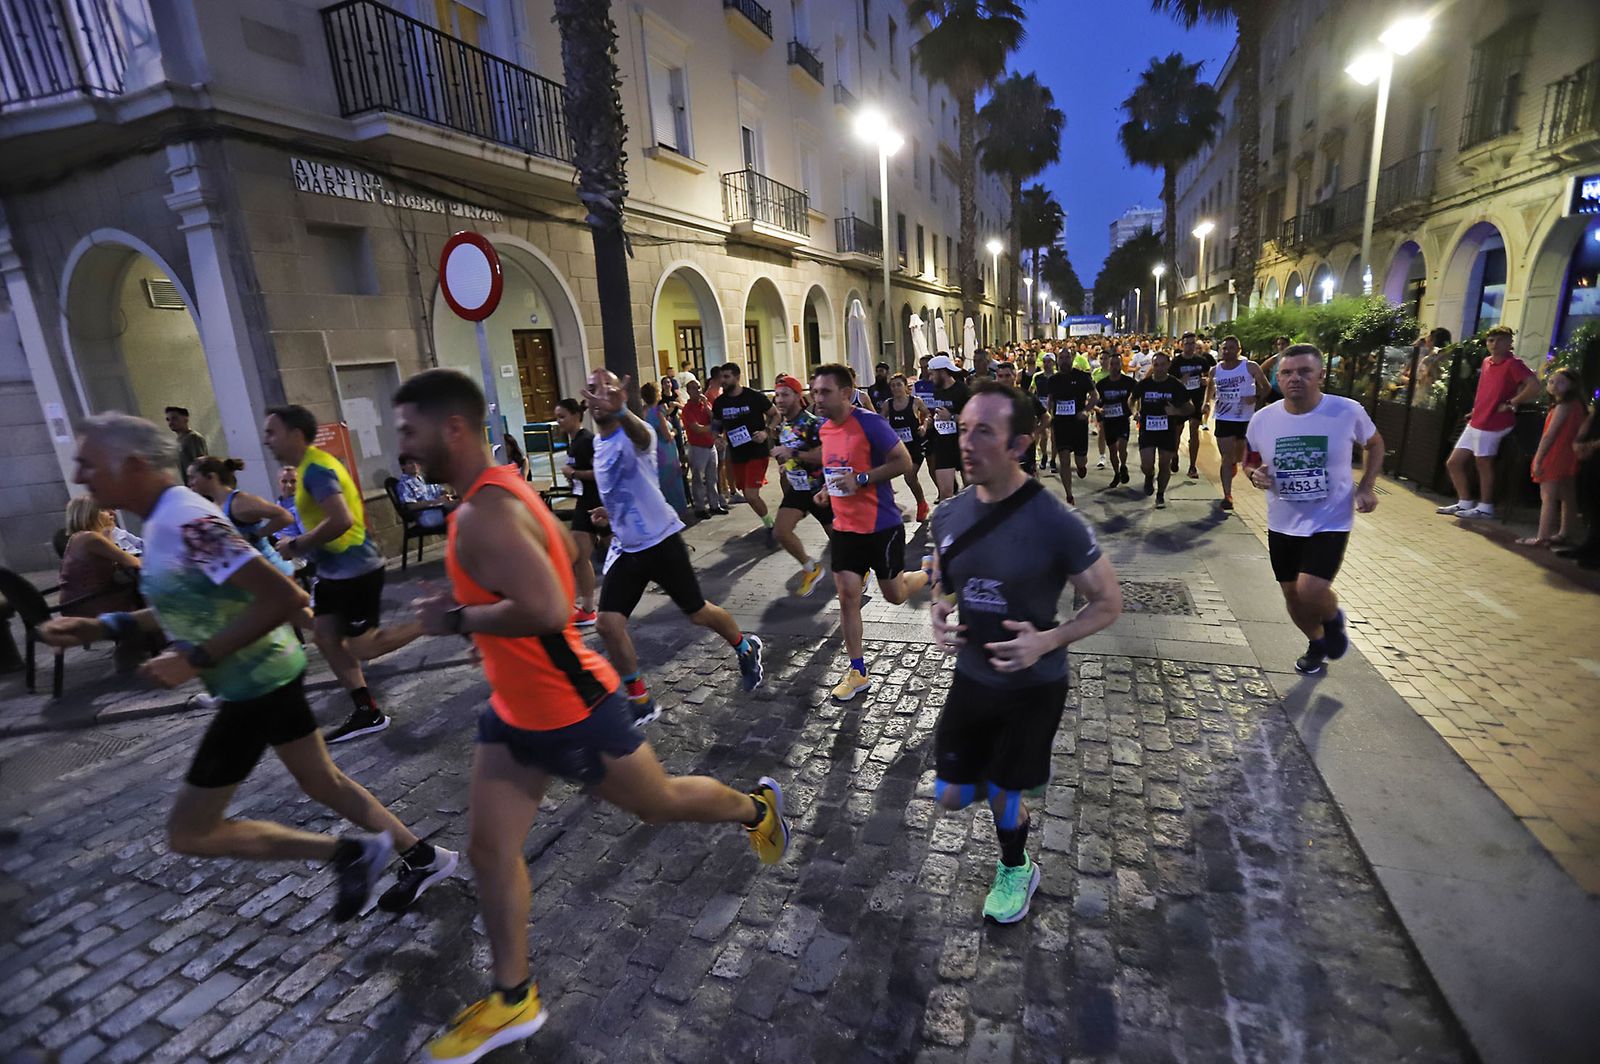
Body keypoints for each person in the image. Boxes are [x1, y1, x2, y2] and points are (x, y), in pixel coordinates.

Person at [385, 372, 788, 1063]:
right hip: (516, 711)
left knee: (657, 805)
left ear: (453, 428)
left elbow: (543, 609)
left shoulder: (487, 509)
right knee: (488, 850)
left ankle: (755, 809)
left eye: (409, 429)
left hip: (569, 707)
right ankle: (513, 999)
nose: (402, 443)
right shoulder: (501, 494)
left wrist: (454, 619)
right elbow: (570, 555)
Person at [40, 414, 454, 924]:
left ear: (132, 464)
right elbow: (187, 603)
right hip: (267, 674)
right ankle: (424, 857)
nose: (81, 476)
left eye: (88, 463)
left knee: (191, 832)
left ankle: (349, 854)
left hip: (254, 684)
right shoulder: (165, 521)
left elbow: (284, 595)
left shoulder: (189, 522)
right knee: (324, 782)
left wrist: (196, 657)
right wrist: (102, 628)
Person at [929, 381, 1121, 923]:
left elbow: (1108, 602)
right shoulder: (949, 514)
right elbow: (943, 576)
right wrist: (939, 608)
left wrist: (1048, 640)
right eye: (964, 429)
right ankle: (1004, 775)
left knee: (1006, 794)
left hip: (1033, 687)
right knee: (949, 795)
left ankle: (1016, 866)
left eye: (984, 432)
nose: (967, 443)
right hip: (972, 677)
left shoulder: (1055, 522)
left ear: (1020, 444)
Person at [584, 370, 765, 723]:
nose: (600, 396)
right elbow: (627, 486)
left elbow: (641, 436)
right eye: (593, 390)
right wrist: (611, 512)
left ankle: (745, 647)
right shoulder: (598, 443)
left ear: (620, 394)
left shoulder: (635, 433)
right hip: (628, 547)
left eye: (608, 388)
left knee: (697, 613)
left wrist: (622, 411)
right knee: (607, 623)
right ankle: (640, 700)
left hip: (662, 541)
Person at [265, 404, 423, 743]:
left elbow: (341, 520)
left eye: (271, 432)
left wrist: (296, 545)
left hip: (355, 569)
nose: (267, 441)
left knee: (363, 647)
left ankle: (436, 620)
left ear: (294, 434)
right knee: (324, 637)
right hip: (333, 571)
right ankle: (367, 711)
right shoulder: (309, 466)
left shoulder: (316, 470)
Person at [1245, 344, 1384, 676]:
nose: (1296, 379)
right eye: (1288, 373)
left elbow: (1375, 444)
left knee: (1310, 590)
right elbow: (1248, 461)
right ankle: (1317, 640)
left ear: (1321, 375)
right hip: (1282, 521)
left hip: (1330, 519)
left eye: (1305, 372)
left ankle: (1332, 618)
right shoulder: (1263, 420)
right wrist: (1254, 475)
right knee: (1292, 596)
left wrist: (1366, 486)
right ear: (1278, 378)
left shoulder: (1346, 411)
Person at [811, 364, 930, 701]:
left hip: (881, 526)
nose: (817, 398)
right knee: (848, 595)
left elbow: (903, 461)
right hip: (846, 528)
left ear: (846, 393)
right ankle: (858, 671)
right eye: (815, 391)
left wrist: (862, 479)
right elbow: (835, 468)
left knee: (894, 594)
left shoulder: (870, 423)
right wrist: (826, 489)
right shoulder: (825, 430)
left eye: (824, 392)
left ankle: (929, 572)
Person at [1436, 325, 1543, 520]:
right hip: (1478, 419)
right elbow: (1487, 390)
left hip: (1495, 422)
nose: (1494, 344)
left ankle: (1485, 507)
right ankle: (1465, 501)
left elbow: (1534, 385)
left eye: (1500, 340)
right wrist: (1477, 410)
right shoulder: (1487, 362)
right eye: (1491, 340)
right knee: (1454, 462)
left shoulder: (1513, 364)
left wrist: (1511, 403)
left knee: (1483, 463)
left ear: (1509, 343)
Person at [767, 375, 832, 597]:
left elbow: (825, 456)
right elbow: (794, 454)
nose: (779, 400)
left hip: (821, 490)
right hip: (799, 488)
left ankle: (860, 570)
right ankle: (811, 568)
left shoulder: (813, 423)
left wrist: (792, 454)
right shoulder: (785, 426)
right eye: (777, 395)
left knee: (841, 542)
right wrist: (790, 465)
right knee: (781, 531)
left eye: (785, 394)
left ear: (798, 396)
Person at [188, 457, 297, 575]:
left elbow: (286, 516)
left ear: (211, 477)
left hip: (275, 573)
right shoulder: (213, 506)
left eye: (193, 477)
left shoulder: (239, 502)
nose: (190, 483)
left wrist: (256, 536)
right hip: (252, 577)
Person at [1518, 367, 1587, 548]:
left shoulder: (1563, 406)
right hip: (1569, 454)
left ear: (1572, 385)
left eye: (1561, 382)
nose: (1554, 385)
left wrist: (1539, 458)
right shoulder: (1578, 406)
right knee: (1567, 495)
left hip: (1555, 453)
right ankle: (1565, 533)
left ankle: (1543, 537)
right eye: (1551, 381)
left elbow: (1550, 435)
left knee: (1547, 496)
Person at [712, 363, 778, 539]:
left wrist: (766, 432)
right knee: (748, 495)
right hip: (737, 454)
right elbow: (716, 426)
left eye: (727, 377)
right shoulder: (720, 403)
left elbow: (775, 414)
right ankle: (769, 521)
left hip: (757, 451)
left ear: (737, 377)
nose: (723, 381)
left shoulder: (754, 397)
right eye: (721, 377)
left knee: (750, 494)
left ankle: (771, 526)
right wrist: (716, 438)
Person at [1207, 335, 1271, 510]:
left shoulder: (1249, 367)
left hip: (1244, 419)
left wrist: (1256, 399)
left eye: (1231, 348)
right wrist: (1206, 402)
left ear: (1239, 350)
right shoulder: (1215, 370)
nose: (1227, 351)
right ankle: (1227, 495)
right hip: (1223, 418)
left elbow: (1266, 388)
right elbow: (1210, 387)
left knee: (1237, 457)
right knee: (1226, 458)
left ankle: (1233, 466)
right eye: (1224, 348)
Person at [553, 398, 599, 626]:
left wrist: (572, 474)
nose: (558, 421)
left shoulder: (587, 441)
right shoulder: (575, 442)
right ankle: (588, 608)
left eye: (562, 416)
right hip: (583, 503)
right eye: (557, 417)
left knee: (620, 556)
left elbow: (600, 473)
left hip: (598, 503)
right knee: (579, 556)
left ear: (575, 416)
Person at [59, 495, 143, 617]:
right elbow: (134, 562)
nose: (112, 512)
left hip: (80, 603)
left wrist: (108, 530)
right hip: (93, 606)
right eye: (104, 510)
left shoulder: (79, 538)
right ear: (89, 515)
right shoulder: (91, 539)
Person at [1132, 353, 1193, 509]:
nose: (1159, 368)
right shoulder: (1144, 384)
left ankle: (1160, 494)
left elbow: (1190, 408)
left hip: (1167, 431)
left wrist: (1176, 411)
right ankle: (1149, 476)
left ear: (1168, 365)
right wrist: (1134, 412)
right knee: (1147, 464)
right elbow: (1132, 399)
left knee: (1164, 464)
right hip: (1147, 429)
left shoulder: (1176, 385)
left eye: (1162, 364)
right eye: (1156, 365)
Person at [1045, 353, 1097, 504]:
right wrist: (1049, 415)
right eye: (1061, 358)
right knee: (1064, 459)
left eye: (1067, 357)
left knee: (1081, 460)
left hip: (1078, 423)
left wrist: (1086, 411)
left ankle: (1082, 467)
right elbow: (1050, 400)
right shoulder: (1053, 380)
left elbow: (1094, 395)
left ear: (1072, 359)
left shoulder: (1082, 376)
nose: (1064, 361)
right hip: (1061, 423)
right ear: (1058, 361)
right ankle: (1069, 495)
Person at [1556, 403, 1600, 568]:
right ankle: (1591, 545)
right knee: (1593, 501)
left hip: (1594, 449)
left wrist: (1591, 445)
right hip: (1592, 456)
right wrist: (1579, 442)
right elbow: (1593, 415)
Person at [883, 374, 931, 521]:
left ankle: (921, 503)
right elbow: (880, 420)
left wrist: (924, 426)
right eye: (893, 385)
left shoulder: (915, 402)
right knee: (883, 476)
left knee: (909, 477)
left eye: (898, 385)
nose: (896, 388)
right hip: (898, 448)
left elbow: (928, 414)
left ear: (905, 387)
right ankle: (887, 507)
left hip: (915, 445)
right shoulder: (888, 404)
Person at [639, 382, 689, 519]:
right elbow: (667, 435)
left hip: (655, 452)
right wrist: (674, 431)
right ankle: (675, 513)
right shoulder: (658, 412)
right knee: (672, 483)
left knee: (661, 483)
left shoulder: (645, 412)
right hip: (667, 452)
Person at [924, 354, 970, 503]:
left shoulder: (962, 390)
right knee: (945, 494)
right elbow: (936, 414)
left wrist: (951, 417)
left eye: (932, 374)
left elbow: (973, 419)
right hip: (943, 445)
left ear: (942, 372)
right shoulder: (936, 391)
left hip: (963, 445)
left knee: (970, 491)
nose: (930, 378)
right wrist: (929, 422)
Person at [1171, 332, 1215, 479]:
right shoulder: (1176, 362)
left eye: (1192, 343)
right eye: (1187, 343)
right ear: (1182, 344)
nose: (1190, 346)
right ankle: (1175, 455)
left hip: (1196, 399)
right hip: (1181, 400)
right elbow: (1170, 382)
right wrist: (1181, 381)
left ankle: (1192, 466)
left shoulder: (1201, 361)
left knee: (1194, 430)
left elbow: (1209, 378)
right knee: (1177, 431)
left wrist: (1205, 382)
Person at [680, 378, 726, 518]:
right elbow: (696, 428)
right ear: (688, 391)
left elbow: (715, 418)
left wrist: (706, 405)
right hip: (697, 447)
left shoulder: (704, 405)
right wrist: (713, 429)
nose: (698, 390)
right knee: (698, 479)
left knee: (712, 478)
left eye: (699, 387)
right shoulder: (688, 409)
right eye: (694, 388)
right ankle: (700, 507)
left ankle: (714, 504)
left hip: (710, 446)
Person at [1096, 349, 1135, 487]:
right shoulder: (1102, 384)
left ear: (1121, 365)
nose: (1114, 366)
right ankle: (1117, 473)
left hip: (1123, 418)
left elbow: (1136, 398)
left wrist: (1136, 411)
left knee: (1122, 446)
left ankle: (1123, 465)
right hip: (1109, 420)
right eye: (1112, 364)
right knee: (1112, 449)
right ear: (1108, 365)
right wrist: (1098, 409)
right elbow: (1093, 400)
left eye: (1117, 363)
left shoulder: (1129, 382)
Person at [395, 458, 458, 531]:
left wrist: (447, 494)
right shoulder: (403, 484)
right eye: (410, 463)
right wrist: (435, 502)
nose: (414, 465)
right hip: (426, 516)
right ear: (402, 466)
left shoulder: (424, 478)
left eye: (416, 462)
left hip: (440, 509)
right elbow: (410, 506)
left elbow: (440, 491)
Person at [165, 406, 207, 481]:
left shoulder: (193, 438)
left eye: (174, 418)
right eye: (168, 420)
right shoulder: (178, 441)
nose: (170, 423)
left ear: (186, 418)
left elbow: (201, 464)